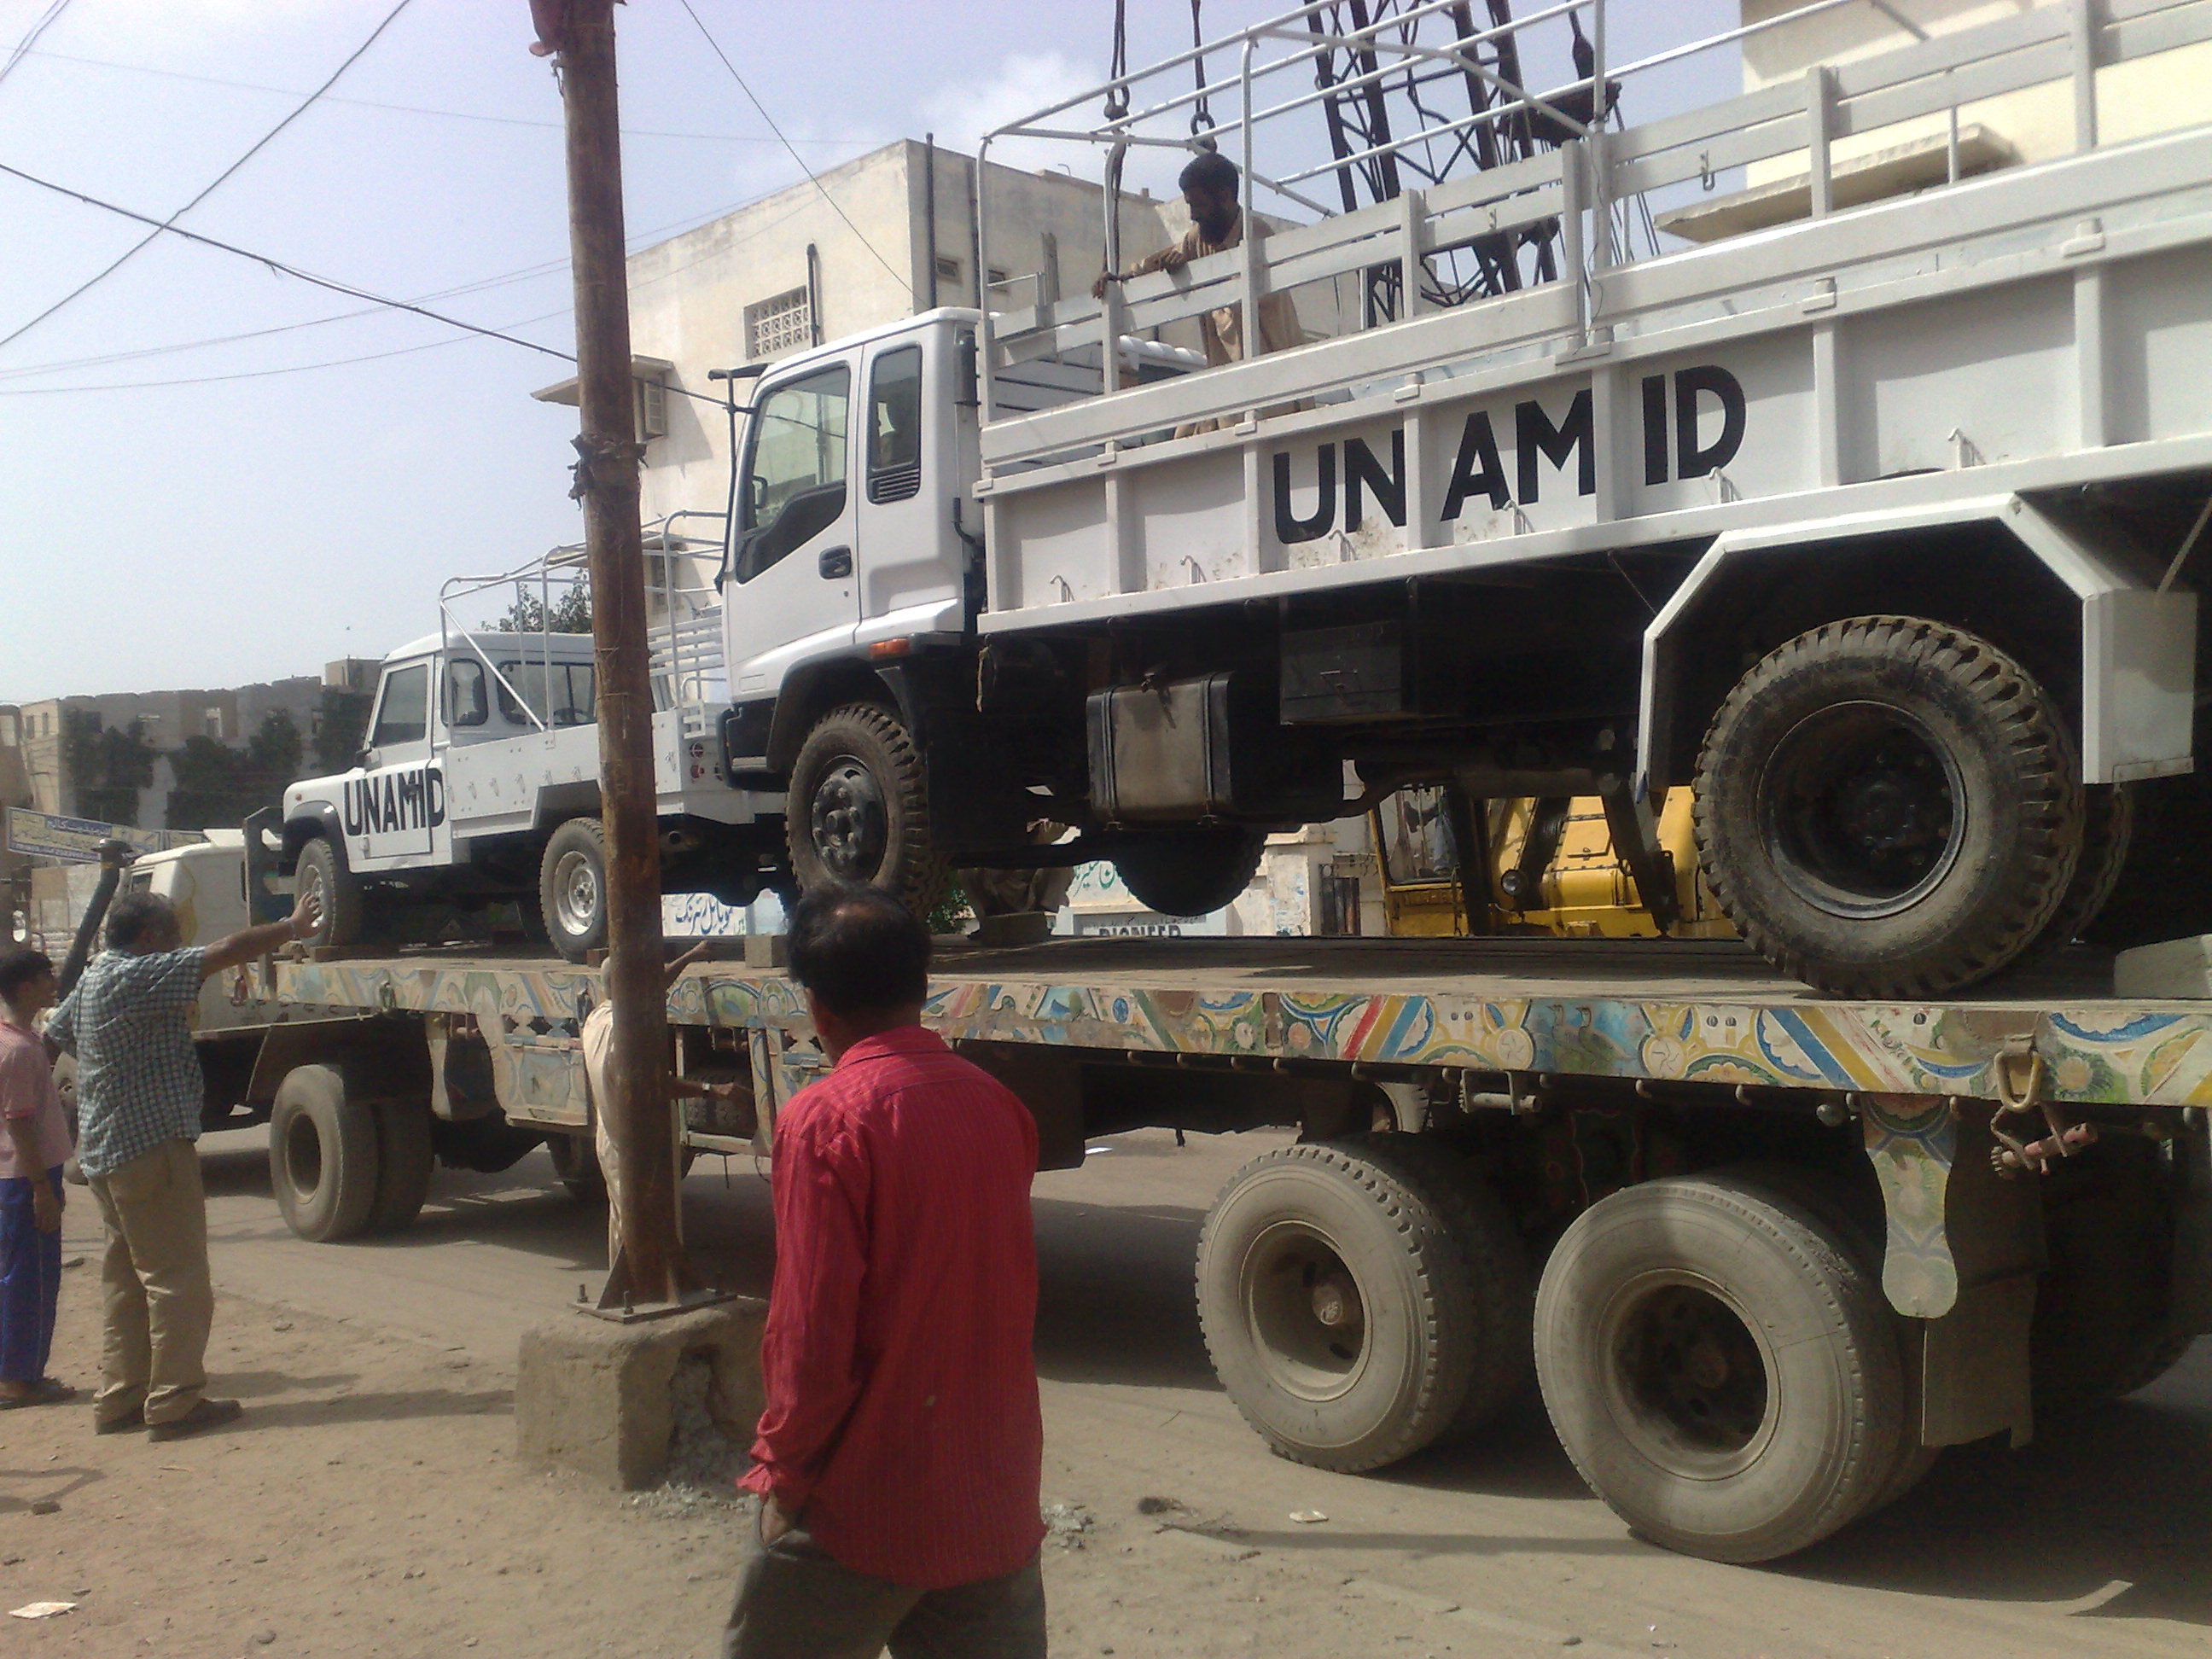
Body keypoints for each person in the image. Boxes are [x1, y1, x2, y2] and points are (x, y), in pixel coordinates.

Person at [723, 883, 1046, 1659]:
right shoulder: (997, 1105)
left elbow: (809, 1331)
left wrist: (783, 1471)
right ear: (921, 987)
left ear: (816, 1007)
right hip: (991, 1496)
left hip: (864, 1504)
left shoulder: (826, 1120)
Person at [45, 883, 321, 1441]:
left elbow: (54, 1037)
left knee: (125, 1281)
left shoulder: (97, 976)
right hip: (149, 1149)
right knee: (177, 1280)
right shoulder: (140, 975)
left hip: (102, 1151)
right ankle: (174, 1402)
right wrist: (291, 926)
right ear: (150, 938)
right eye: (171, 934)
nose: (179, 944)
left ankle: (120, 1397)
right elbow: (224, 952)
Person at [1093, 148, 1304, 373]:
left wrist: (1191, 273)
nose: (1193, 215)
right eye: (1189, 205)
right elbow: (1156, 262)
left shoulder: (1256, 236)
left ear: (1223, 196)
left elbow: (1233, 306)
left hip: (1275, 373)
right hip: (1230, 379)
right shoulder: (1199, 238)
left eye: (1198, 205)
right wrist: (1122, 278)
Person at [0, 947, 71, 1408]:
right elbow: (20, 1121)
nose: (53, 983)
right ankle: (20, 1378)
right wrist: (43, 1189)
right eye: (46, 977)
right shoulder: (22, 1051)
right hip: (28, 1176)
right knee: (32, 1279)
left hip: (11, 1176)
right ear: (25, 988)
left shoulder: (14, 1040)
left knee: (12, 1275)